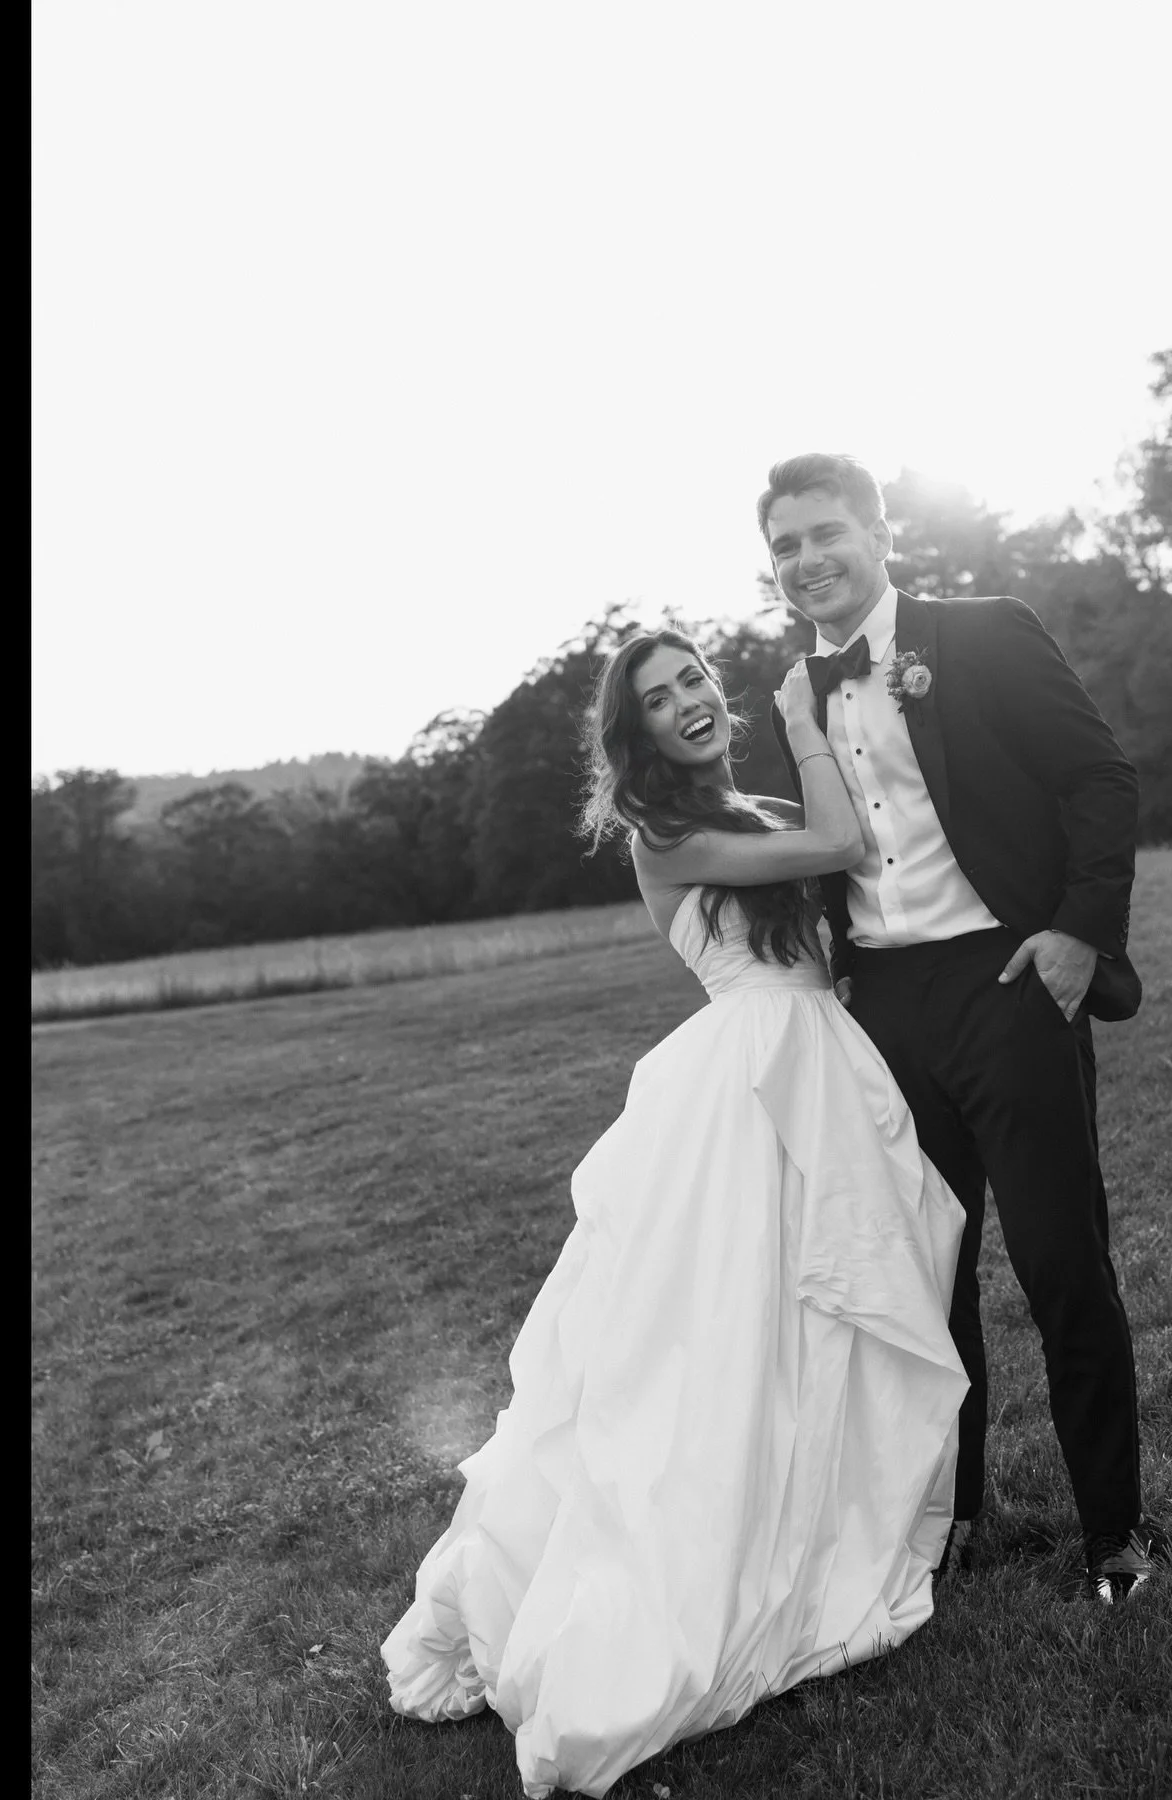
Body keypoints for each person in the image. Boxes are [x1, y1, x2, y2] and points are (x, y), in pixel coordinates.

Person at [381, 628, 969, 1799]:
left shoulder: (746, 811)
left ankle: (825, 1523)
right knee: (725, 1342)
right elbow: (845, 841)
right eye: (658, 697)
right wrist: (809, 720)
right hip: (745, 1082)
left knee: (820, 1322)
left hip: (821, 1061)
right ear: (635, 730)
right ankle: (705, 1570)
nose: (689, 701)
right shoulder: (667, 834)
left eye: (694, 679)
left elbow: (846, 865)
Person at [760, 452, 1162, 1604]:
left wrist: (1079, 932)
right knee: (924, 1286)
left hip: (1009, 982)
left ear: (880, 532)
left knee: (1058, 1261)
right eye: (785, 547)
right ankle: (953, 1516)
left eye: (825, 532)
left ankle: (1115, 1533)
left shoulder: (983, 632)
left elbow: (1098, 777)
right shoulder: (791, 692)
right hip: (880, 1010)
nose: (808, 561)